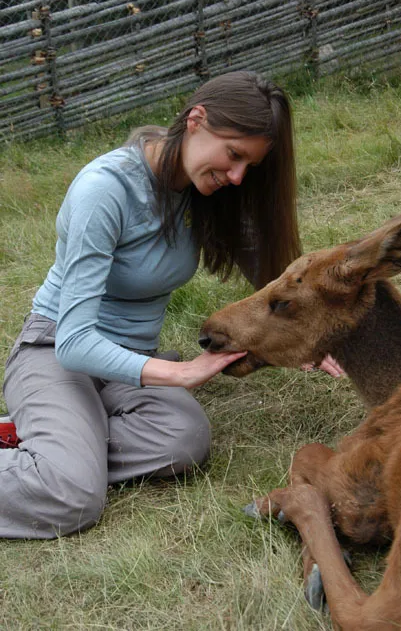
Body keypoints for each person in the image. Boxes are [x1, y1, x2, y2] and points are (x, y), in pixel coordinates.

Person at [1, 70, 340, 539]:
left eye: (249, 165)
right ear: (196, 120)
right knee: (71, 497)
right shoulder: (105, 189)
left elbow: (275, 283)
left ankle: (62, 446)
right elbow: (75, 342)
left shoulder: (208, 192)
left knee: (183, 440)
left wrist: (312, 335)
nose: (237, 176)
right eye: (234, 155)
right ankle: (64, 459)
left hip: (129, 362)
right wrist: (180, 374)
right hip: (56, 350)